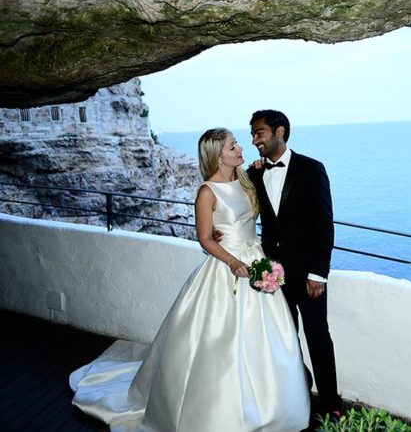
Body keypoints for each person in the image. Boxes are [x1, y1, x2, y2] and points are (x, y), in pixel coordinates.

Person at [69, 128, 310, 431]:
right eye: (233, 146)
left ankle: (269, 405)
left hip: (256, 261)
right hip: (227, 268)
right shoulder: (207, 191)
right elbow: (205, 239)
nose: (240, 148)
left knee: (269, 340)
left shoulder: (247, 180)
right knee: (220, 342)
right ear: (218, 155)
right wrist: (234, 261)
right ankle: (216, 410)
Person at [246, 109, 342, 418]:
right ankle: (296, 397)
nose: (253, 140)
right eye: (252, 134)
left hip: (308, 275)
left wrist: (318, 273)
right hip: (273, 274)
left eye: (259, 133)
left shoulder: (312, 169)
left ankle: (331, 404)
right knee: (284, 340)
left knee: (318, 337)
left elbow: (324, 225)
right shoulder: (255, 173)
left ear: (280, 132)